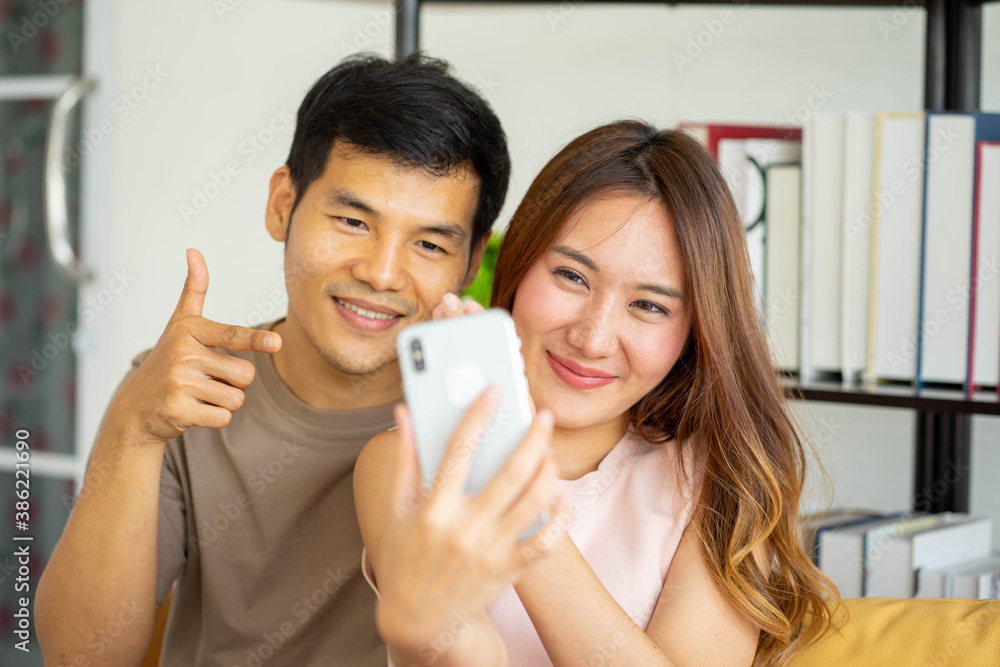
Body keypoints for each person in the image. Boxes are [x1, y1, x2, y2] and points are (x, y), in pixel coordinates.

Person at [35, 52, 510, 666]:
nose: (382, 273)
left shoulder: (484, 418)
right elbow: (79, 657)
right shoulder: (182, 395)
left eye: (429, 244)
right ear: (283, 204)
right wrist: (134, 429)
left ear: (471, 262)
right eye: (352, 220)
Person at [354, 120, 841, 666]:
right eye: (571, 276)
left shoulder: (721, 485)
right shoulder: (403, 462)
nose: (592, 338)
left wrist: (517, 500)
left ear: (695, 331)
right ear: (519, 263)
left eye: (649, 306)